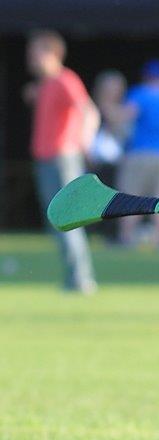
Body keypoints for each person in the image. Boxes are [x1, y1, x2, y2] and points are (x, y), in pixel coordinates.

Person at [27, 30, 99, 293]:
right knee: (55, 220)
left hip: (62, 157)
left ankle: (81, 279)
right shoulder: (46, 84)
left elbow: (88, 111)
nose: (31, 58)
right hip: (46, 158)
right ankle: (74, 278)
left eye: (36, 52)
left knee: (66, 218)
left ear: (51, 53)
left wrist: (85, 142)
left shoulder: (65, 80)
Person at [117, 61, 159, 247]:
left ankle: (126, 238)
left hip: (139, 154)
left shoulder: (140, 94)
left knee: (130, 197)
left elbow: (125, 116)